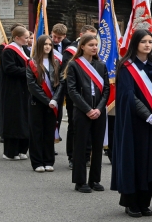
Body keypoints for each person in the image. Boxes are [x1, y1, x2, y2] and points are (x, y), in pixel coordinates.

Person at [111, 30, 152, 216]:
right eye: (143, 41)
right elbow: (128, 95)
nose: (147, 45)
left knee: (150, 161)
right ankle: (130, 202)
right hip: (134, 122)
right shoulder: (126, 66)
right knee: (134, 160)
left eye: (150, 42)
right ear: (135, 43)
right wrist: (147, 115)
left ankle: (145, 201)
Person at [65, 33, 109, 192]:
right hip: (82, 111)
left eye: (96, 45)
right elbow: (72, 90)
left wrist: (99, 108)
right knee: (81, 145)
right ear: (82, 46)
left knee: (97, 146)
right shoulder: (74, 65)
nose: (94, 47)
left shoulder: (101, 65)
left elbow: (106, 90)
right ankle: (80, 181)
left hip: (99, 111)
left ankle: (94, 180)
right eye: (91, 45)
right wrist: (88, 109)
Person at [25, 34, 63, 171]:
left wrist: (55, 99)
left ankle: (48, 161)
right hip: (37, 102)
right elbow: (32, 85)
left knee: (49, 132)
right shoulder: (31, 62)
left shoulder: (56, 62)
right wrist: (48, 101)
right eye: (45, 44)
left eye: (50, 44)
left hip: (53, 103)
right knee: (36, 132)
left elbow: (61, 83)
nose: (47, 47)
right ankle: (37, 162)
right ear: (39, 46)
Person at [65, 25, 96, 170]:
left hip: (92, 99)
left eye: (95, 40)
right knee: (75, 127)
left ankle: (87, 155)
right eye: (90, 39)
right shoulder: (70, 51)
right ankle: (73, 156)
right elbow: (67, 78)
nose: (94, 45)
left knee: (90, 129)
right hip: (76, 99)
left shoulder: (97, 61)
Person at [0, 26, 32, 160]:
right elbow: (9, 69)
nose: (28, 40)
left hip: (25, 88)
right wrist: (29, 71)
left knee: (24, 118)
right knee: (14, 118)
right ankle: (10, 151)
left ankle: (22, 149)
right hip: (13, 89)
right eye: (26, 37)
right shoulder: (8, 51)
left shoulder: (25, 49)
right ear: (17, 38)